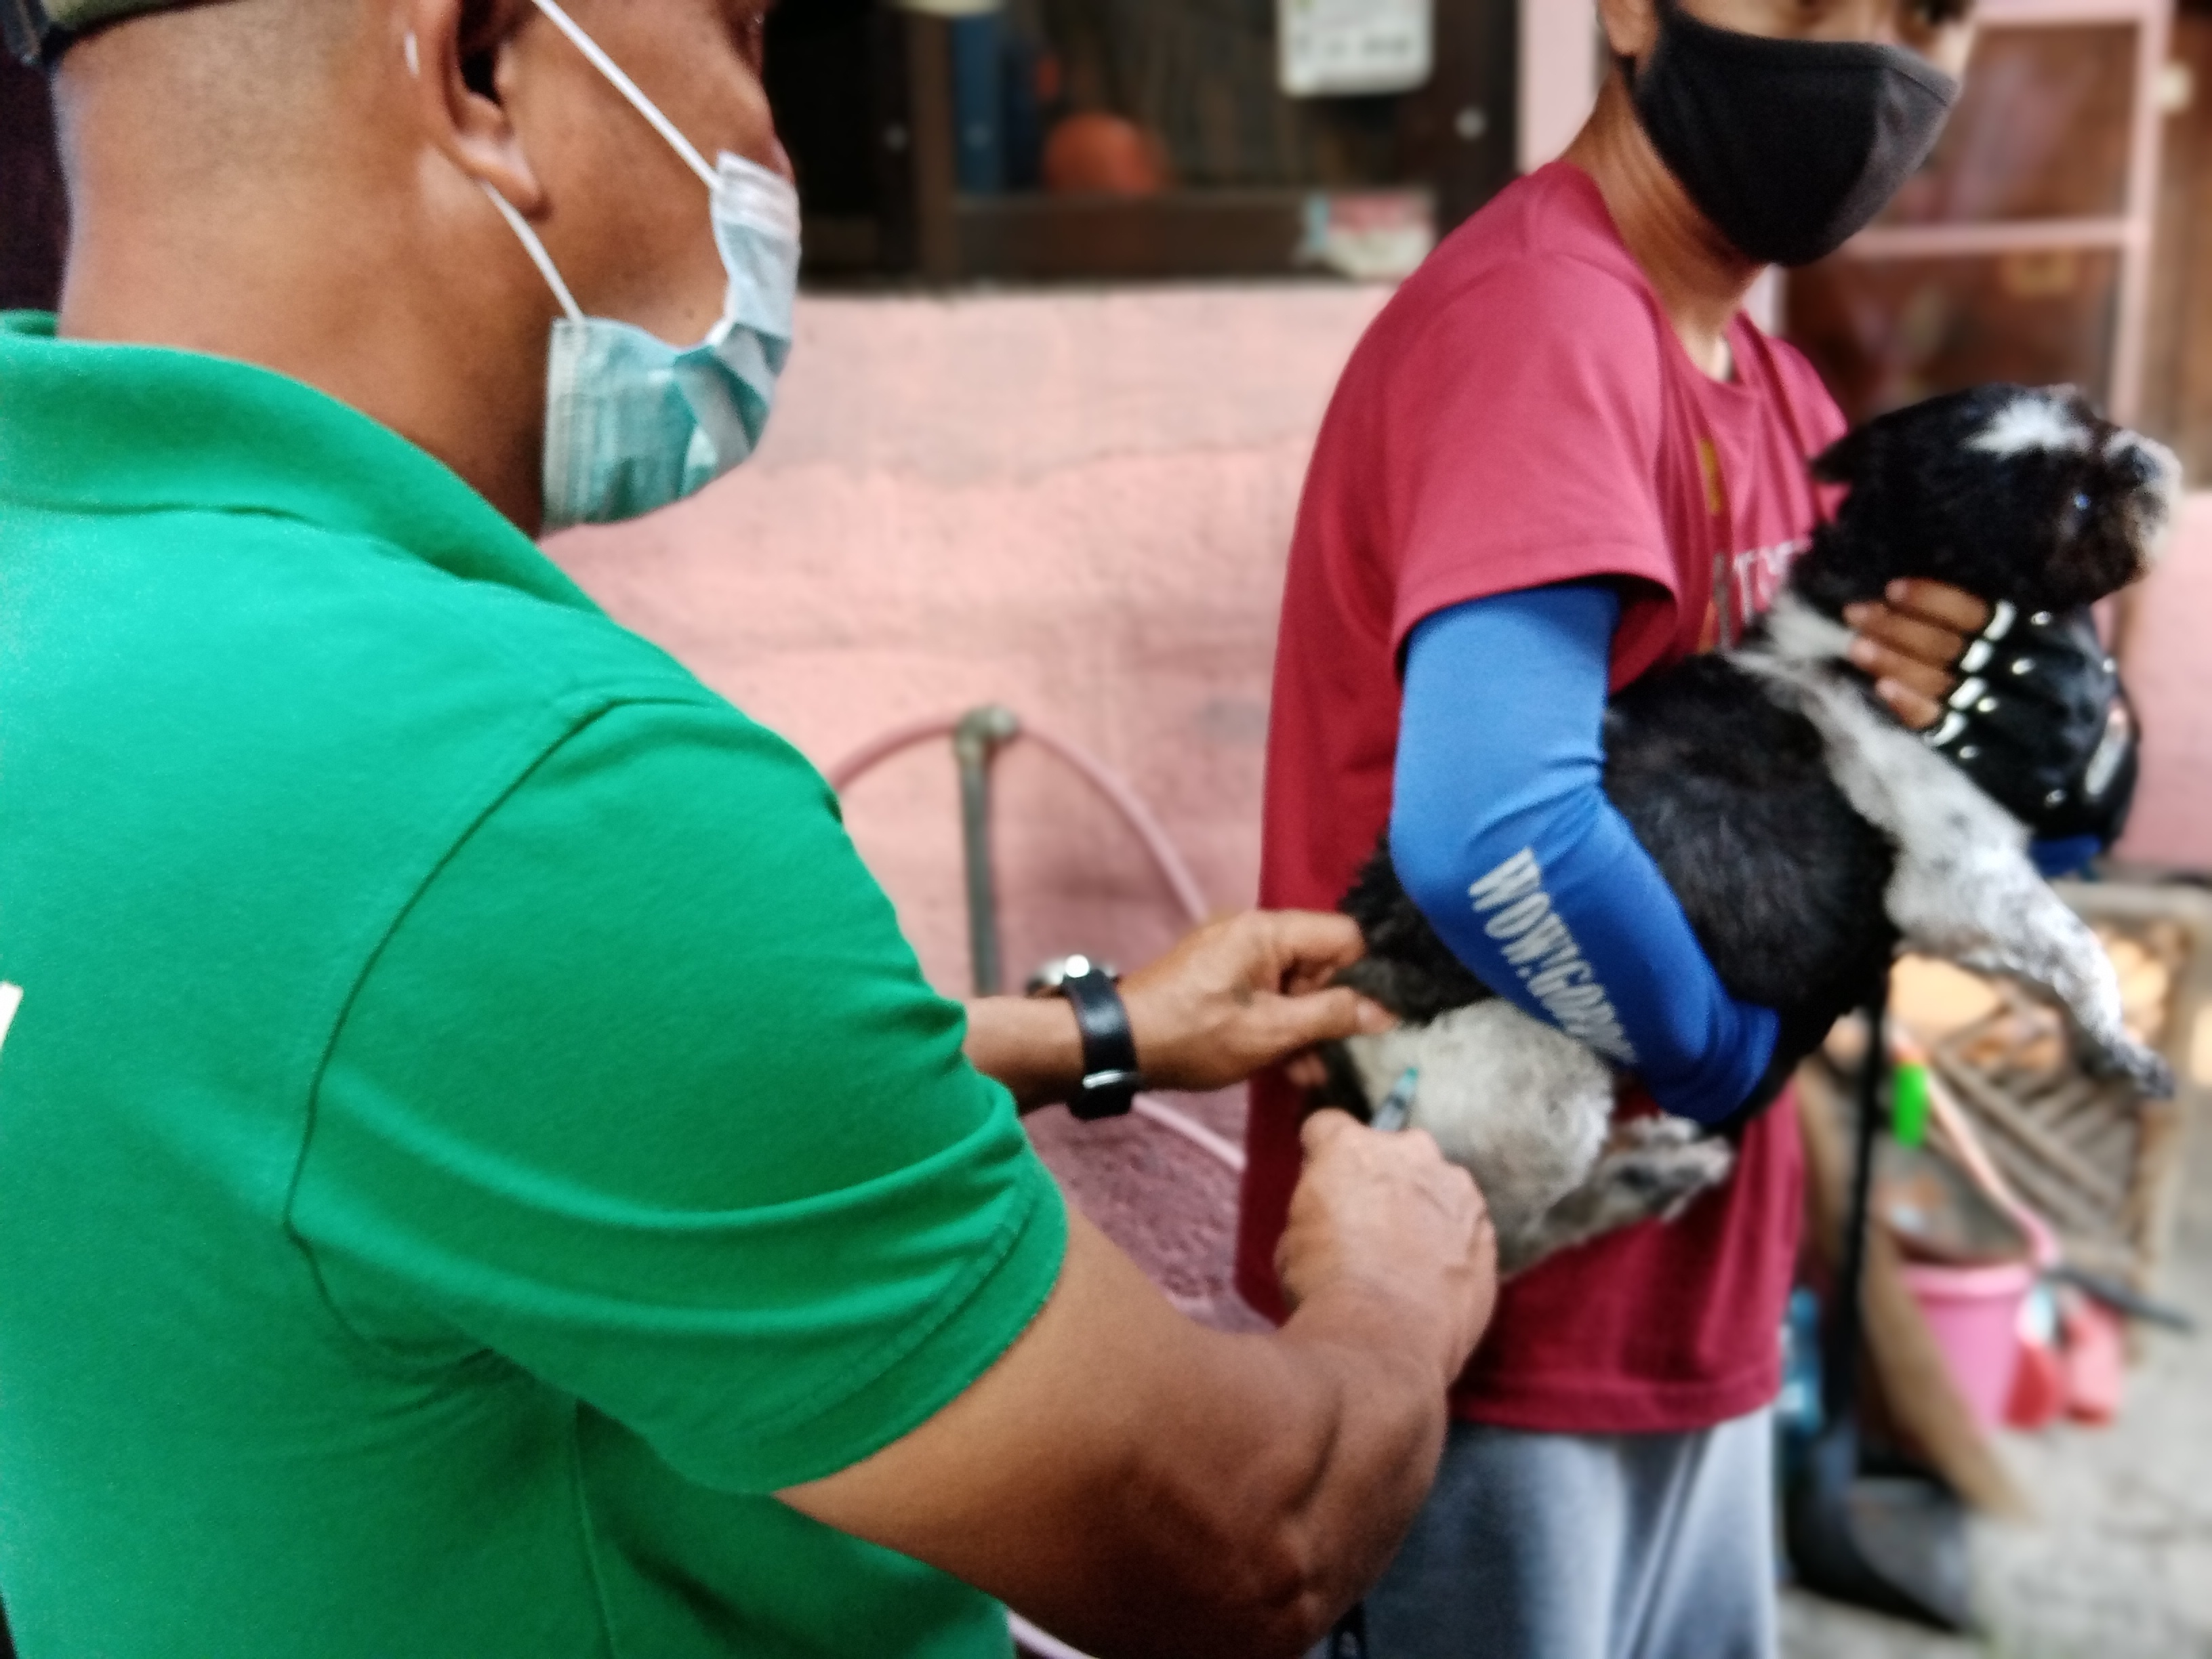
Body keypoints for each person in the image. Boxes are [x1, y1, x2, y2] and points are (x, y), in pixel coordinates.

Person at [0, 0, 1504, 1654]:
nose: (775, 154)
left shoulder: (66, 594)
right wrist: (1389, 1296)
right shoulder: (539, 793)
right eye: (746, 35)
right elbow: (1243, 1538)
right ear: (487, 63)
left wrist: (1105, 1032)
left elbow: (406, 1096)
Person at [1237, 3, 2144, 1656]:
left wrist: (2075, 771)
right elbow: (1493, 827)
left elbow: (1892, 797)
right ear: (1629, 7)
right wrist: (1722, 1048)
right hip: (1476, 1326)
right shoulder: (1546, 327)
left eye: (1924, 11)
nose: (1867, 53)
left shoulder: (1781, 390)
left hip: (1691, 1302)